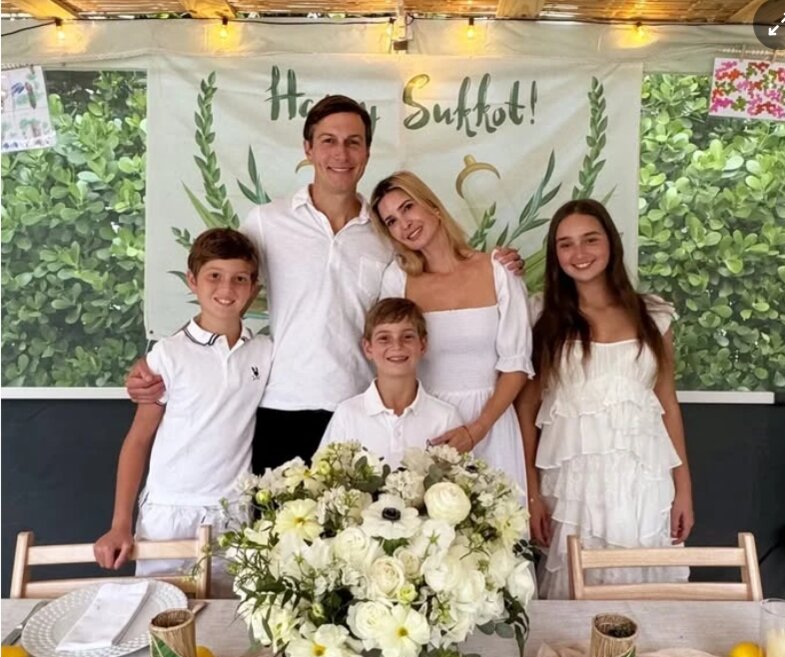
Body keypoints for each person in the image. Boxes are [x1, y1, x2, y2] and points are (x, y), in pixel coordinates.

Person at [126, 96, 524, 474]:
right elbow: (224, 300)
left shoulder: (385, 235)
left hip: (361, 412)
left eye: (353, 142)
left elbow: (427, 281)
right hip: (281, 406)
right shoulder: (266, 221)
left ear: (367, 153)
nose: (341, 154)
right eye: (328, 141)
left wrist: (497, 264)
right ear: (308, 149)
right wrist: (166, 357)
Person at [515, 199, 694, 599]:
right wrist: (532, 494)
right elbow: (525, 408)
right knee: (576, 592)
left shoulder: (653, 314)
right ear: (555, 254)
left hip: (644, 482)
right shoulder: (542, 315)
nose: (579, 253)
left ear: (611, 242)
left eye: (590, 239)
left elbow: (667, 402)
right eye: (565, 244)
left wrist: (683, 488)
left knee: (645, 591)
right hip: (574, 488)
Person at [94, 229, 270, 597]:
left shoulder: (265, 353)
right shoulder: (167, 355)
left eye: (240, 279)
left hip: (231, 514)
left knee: (228, 619)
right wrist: (120, 524)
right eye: (214, 276)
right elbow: (138, 440)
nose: (227, 288)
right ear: (192, 281)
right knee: (159, 613)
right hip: (169, 512)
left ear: (253, 288)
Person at [371, 171, 533, 496]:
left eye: (407, 207)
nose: (404, 224)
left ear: (432, 205)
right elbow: (391, 359)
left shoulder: (498, 270)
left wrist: (477, 430)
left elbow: (516, 365)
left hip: (492, 423)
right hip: (427, 427)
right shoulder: (397, 280)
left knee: (499, 521)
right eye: (391, 221)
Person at [319, 297, 462, 467]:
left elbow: (461, 478)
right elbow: (325, 477)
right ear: (368, 348)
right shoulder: (347, 415)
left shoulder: (445, 417)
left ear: (422, 345)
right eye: (384, 338)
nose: (397, 346)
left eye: (407, 337)